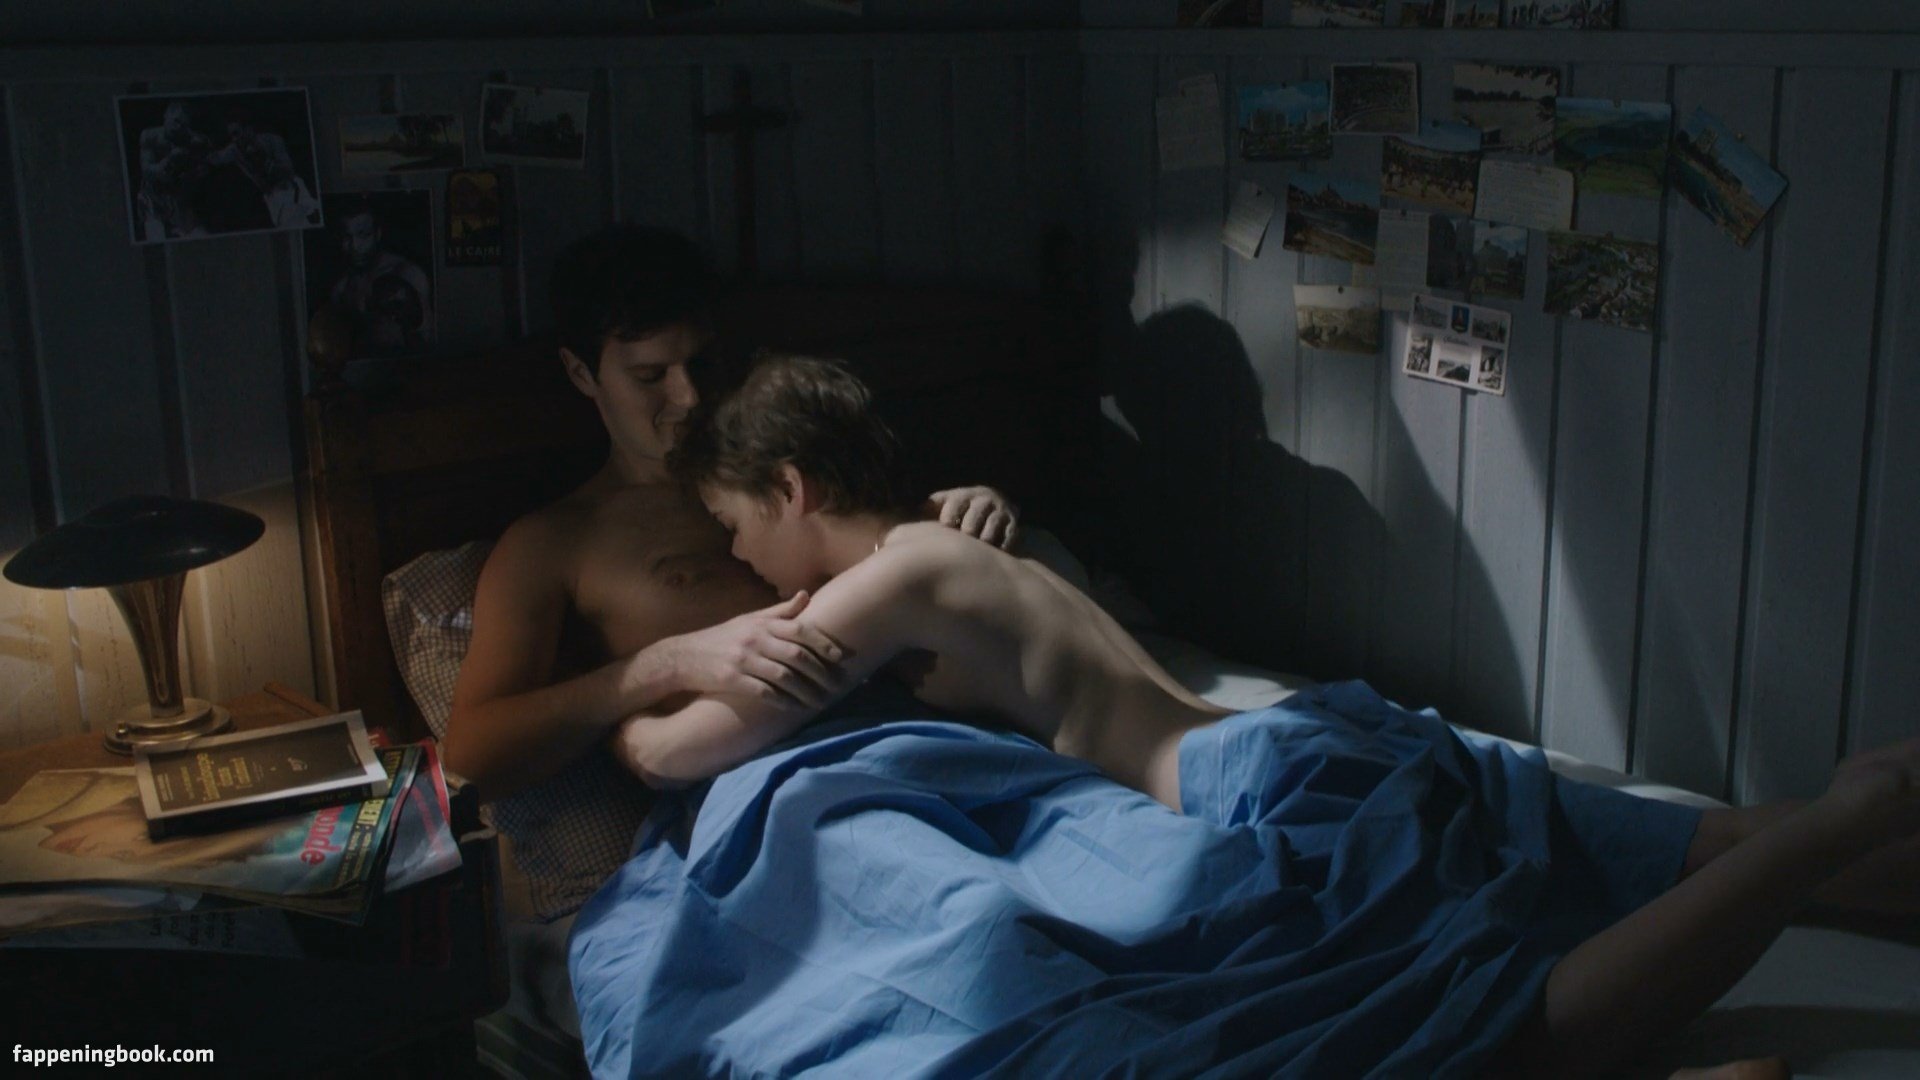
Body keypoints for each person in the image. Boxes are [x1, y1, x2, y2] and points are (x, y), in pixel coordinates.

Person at [629, 351, 1920, 1077]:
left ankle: (1833, 831)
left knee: (1480, 1029)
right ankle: (1849, 834)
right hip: (1315, 734)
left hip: (1255, 782)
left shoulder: (880, 584)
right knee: (1684, 838)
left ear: (792, 488)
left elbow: (696, 748)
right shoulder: (966, 538)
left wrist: (638, 695)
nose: (738, 563)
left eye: (734, 526)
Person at [441, 225, 1016, 805]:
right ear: (580, 373)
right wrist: (664, 665)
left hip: (919, 742)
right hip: (770, 792)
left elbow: (894, 547)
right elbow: (470, 757)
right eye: (650, 375)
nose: (689, 396)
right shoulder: (558, 541)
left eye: (701, 363)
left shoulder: (790, 458)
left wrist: (964, 513)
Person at [325, 196, 435, 355]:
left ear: (377, 234)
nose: (355, 246)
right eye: (347, 237)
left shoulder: (408, 274)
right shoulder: (341, 289)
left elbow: (428, 340)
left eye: (363, 235)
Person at [135, 99, 212, 241]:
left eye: (183, 125)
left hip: (179, 200)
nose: (178, 127)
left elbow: (204, 170)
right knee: (156, 238)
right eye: (176, 121)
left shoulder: (196, 142)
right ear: (166, 115)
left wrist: (193, 172)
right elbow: (147, 171)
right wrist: (170, 158)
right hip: (153, 197)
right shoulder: (150, 136)